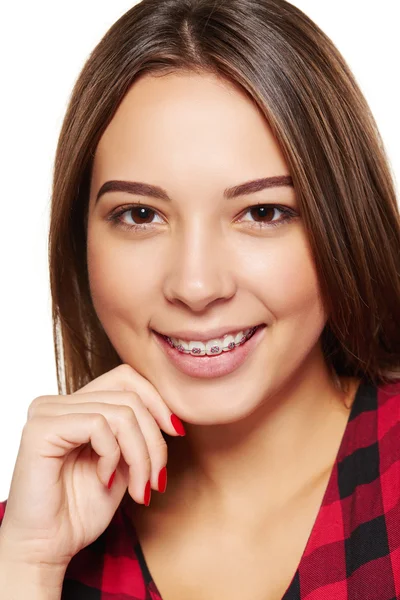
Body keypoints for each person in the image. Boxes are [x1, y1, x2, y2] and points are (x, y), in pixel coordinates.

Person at [1, 0, 400, 598]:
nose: (195, 286)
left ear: (342, 221)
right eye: (140, 215)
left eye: (262, 212)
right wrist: (29, 567)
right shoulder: (29, 539)